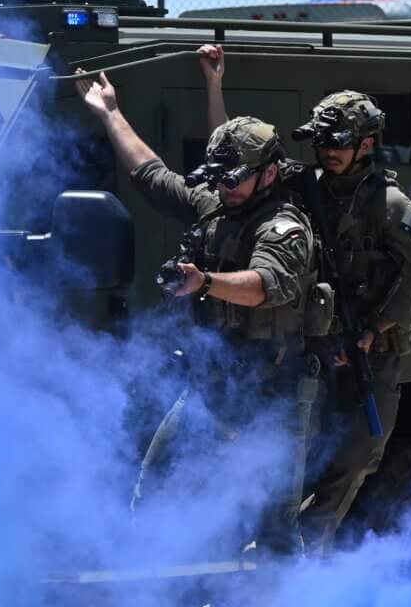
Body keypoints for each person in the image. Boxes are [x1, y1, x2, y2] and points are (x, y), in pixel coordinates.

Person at [76, 70, 320, 555]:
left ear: (269, 175)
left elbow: (265, 285)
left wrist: (204, 282)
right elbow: (151, 174)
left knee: (275, 526)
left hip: (272, 391)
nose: (225, 188)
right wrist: (110, 113)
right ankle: (153, 588)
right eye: (220, 179)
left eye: (235, 179)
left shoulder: (284, 226)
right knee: (153, 494)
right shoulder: (217, 205)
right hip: (211, 385)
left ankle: (293, 605)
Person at [200, 48, 411, 547]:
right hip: (318, 349)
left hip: (371, 353)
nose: (328, 152)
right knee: (293, 456)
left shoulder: (392, 206)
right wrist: (214, 86)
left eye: (339, 144)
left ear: (367, 144)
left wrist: (371, 331)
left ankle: (311, 546)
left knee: (356, 456)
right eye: (322, 143)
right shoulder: (307, 186)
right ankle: (276, 547)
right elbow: (235, 160)